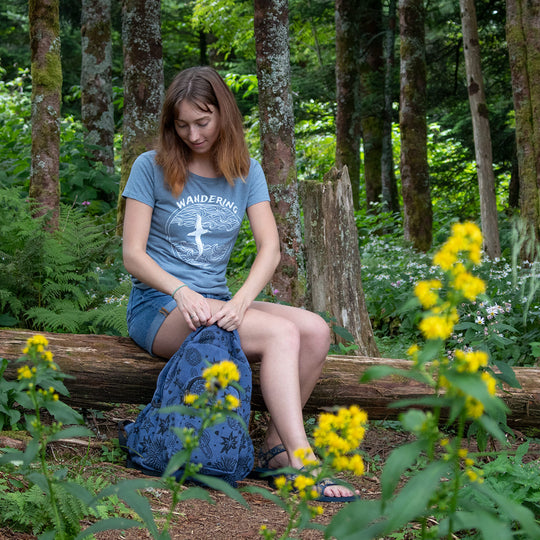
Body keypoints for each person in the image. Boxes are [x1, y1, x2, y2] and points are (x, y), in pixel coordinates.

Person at [122, 66, 358, 501]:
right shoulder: (150, 167)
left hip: (215, 301)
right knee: (280, 333)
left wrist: (243, 299)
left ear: (223, 114)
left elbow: (270, 248)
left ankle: (275, 449)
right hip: (160, 307)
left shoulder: (245, 171)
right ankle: (304, 460)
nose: (193, 134)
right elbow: (133, 253)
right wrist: (180, 290)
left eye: (203, 121)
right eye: (182, 125)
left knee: (316, 329)